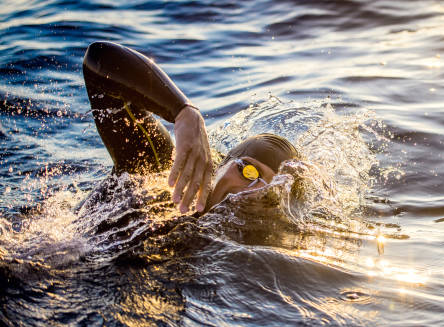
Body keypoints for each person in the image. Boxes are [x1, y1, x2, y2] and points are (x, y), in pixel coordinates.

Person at [82, 41, 298, 214]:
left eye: (270, 193)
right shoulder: (154, 173)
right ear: (221, 164)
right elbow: (100, 58)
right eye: (250, 173)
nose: (254, 192)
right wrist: (183, 111)